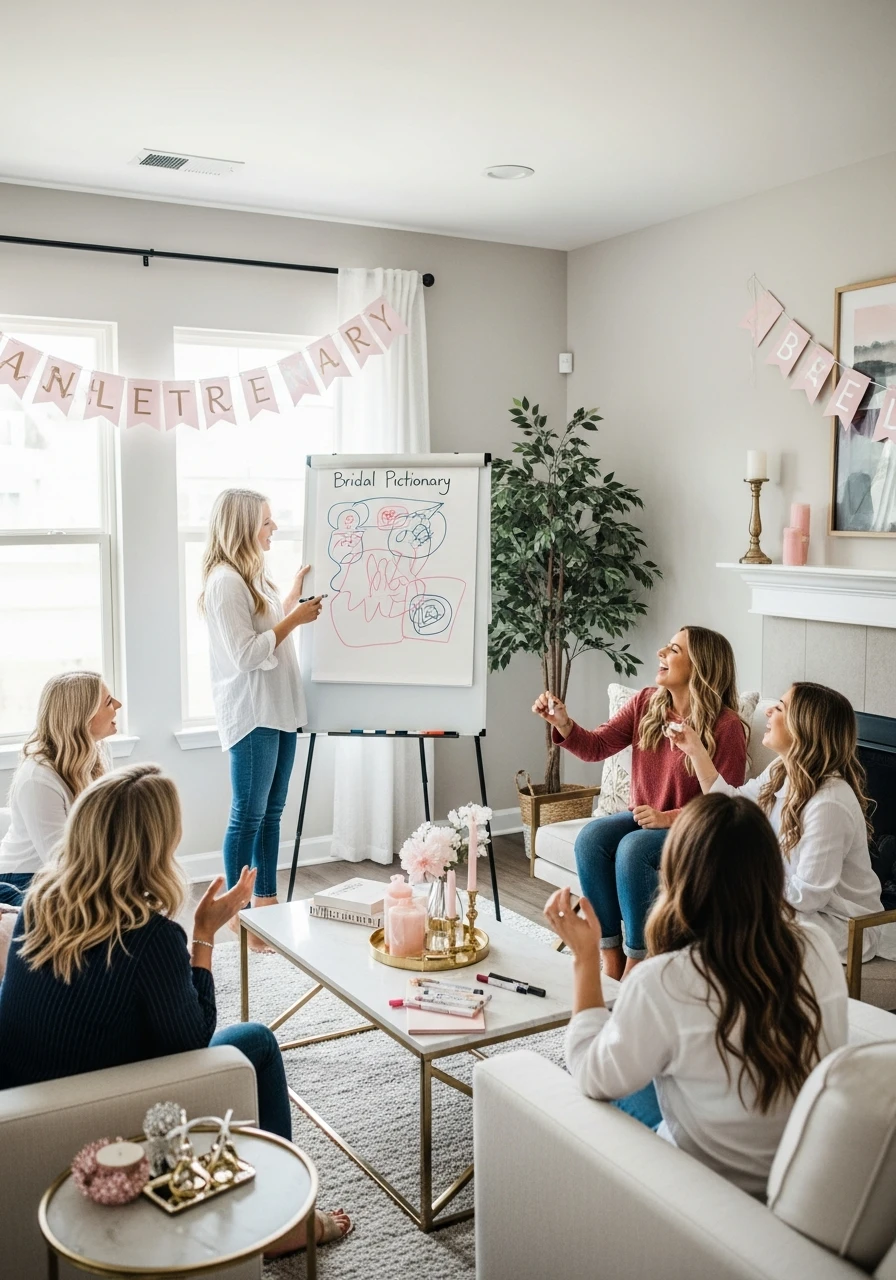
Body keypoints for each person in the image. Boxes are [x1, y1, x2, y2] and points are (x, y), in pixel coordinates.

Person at [0, 764, 350, 1254]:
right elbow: (191, 1044)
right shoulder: (152, 939)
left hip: (19, 1090)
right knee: (257, 1043)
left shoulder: (39, 903)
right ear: (155, 844)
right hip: (101, 1107)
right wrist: (203, 934)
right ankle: (286, 1222)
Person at [544, 793, 848, 1197]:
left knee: (589, 1073)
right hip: (801, 1168)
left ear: (677, 874)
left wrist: (585, 959)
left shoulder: (664, 980)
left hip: (712, 1187)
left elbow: (590, 1073)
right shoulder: (816, 945)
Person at [533, 627, 748, 979]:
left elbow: (729, 807)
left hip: (697, 831)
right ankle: (611, 954)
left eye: (674, 649)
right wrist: (563, 723)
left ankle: (640, 958)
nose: (661, 652)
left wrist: (668, 818)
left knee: (634, 849)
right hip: (648, 819)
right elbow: (597, 747)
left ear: (701, 666)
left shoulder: (727, 727)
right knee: (592, 838)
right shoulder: (648, 702)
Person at [672, 682, 885, 961]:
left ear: (803, 726)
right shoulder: (781, 770)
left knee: (726, 920)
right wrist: (696, 751)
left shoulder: (829, 802)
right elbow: (732, 803)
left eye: (781, 707)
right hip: (797, 910)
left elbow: (807, 897)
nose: (770, 710)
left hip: (842, 926)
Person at [199, 489, 323, 951]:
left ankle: (266, 907)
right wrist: (296, 621)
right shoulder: (225, 582)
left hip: (279, 709)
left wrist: (290, 597)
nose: (274, 529)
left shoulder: (251, 577)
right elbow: (248, 653)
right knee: (247, 815)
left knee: (270, 813)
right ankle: (238, 915)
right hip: (252, 714)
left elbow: (263, 623)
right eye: (267, 522)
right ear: (244, 527)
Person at [0, 671, 120, 906]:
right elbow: (60, 862)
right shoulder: (38, 777)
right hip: (21, 880)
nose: (118, 704)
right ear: (83, 717)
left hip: (65, 870)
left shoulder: (95, 753)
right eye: (108, 702)